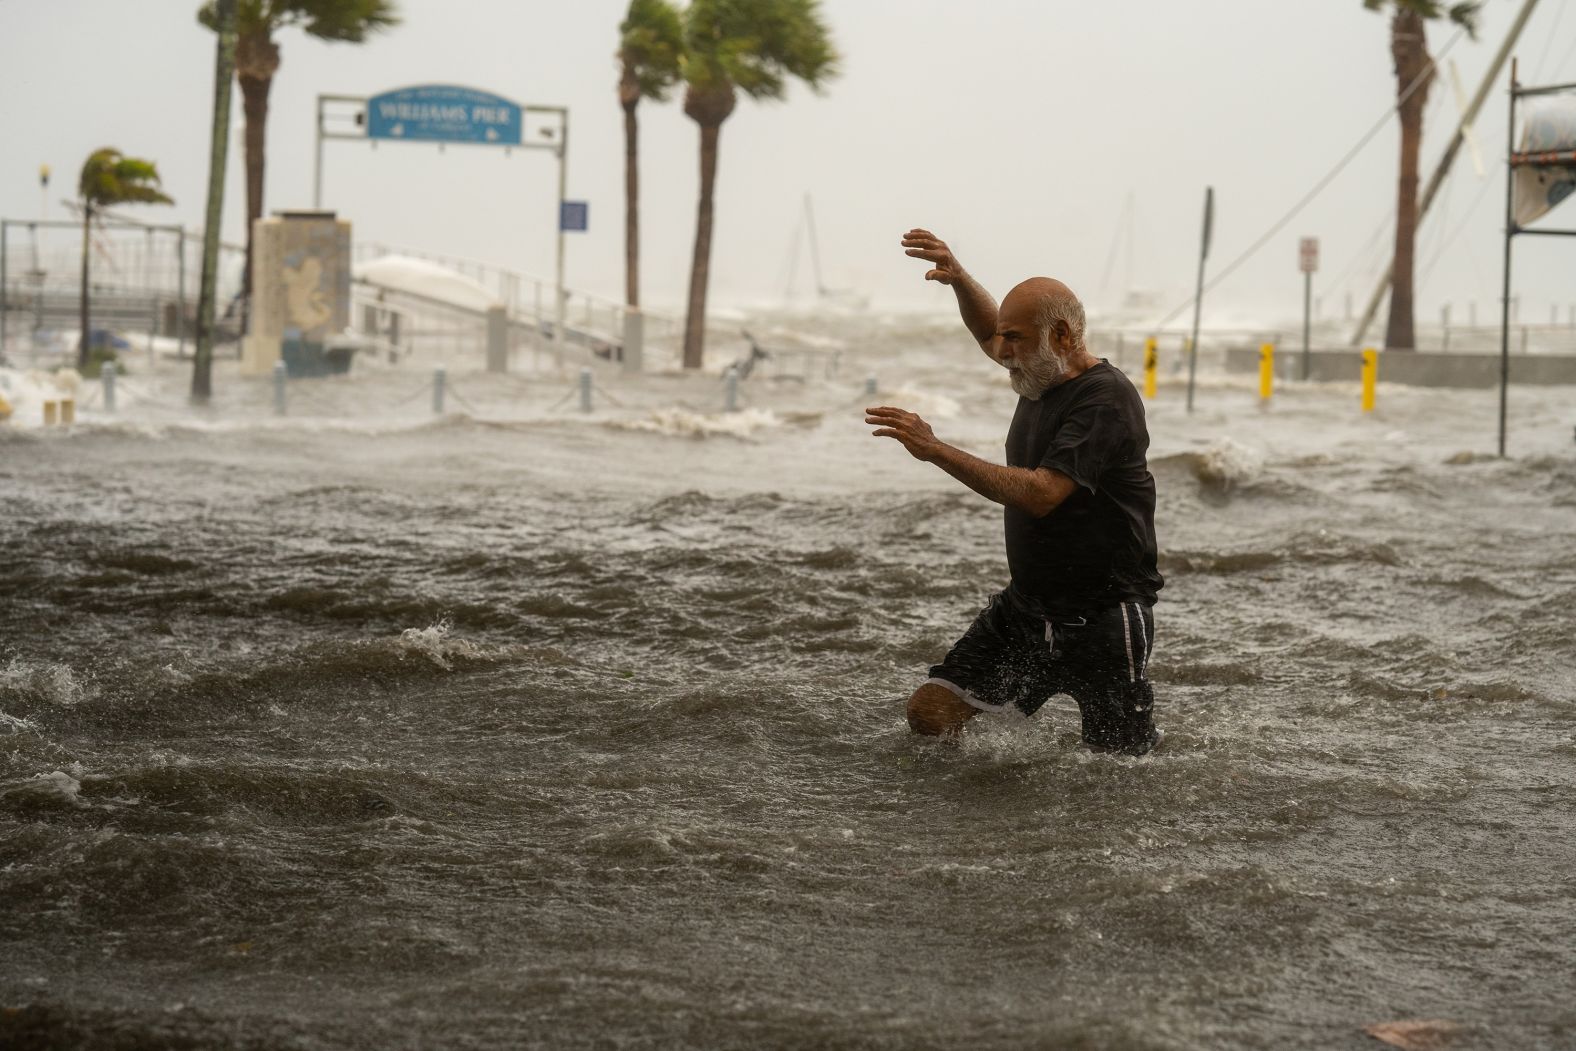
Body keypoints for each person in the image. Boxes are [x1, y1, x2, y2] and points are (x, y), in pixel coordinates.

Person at [865, 229, 1164, 755]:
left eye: (1016, 339)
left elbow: (1043, 493)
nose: (1003, 352)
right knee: (931, 712)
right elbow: (988, 332)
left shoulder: (1105, 399)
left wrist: (936, 450)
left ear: (1065, 337)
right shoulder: (1037, 371)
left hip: (1104, 617)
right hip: (1026, 611)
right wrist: (959, 279)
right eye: (1005, 338)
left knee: (1118, 770)